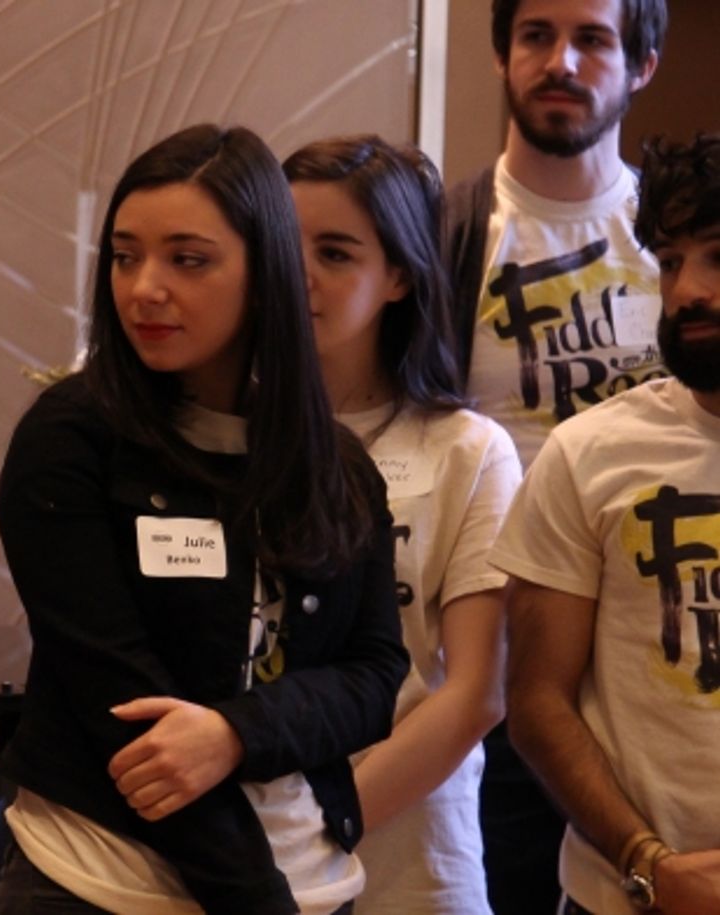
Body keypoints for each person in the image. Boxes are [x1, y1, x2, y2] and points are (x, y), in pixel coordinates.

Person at [0, 124, 409, 915]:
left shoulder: (336, 463)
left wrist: (237, 731)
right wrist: (258, 901)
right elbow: (126, 714)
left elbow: (373, 677)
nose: (145, 288)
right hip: (100, 879)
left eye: (188, 260)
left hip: (311, 875)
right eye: (126, 257)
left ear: (265, 272)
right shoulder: (71, 440)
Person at [442, 2, 668, 908]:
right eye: (536, 35)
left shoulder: (681, 246)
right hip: (492, 671)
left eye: (593, 39)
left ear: (642, 64)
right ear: (503, 54)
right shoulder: (448, 236)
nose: (561, 62)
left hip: (654, 666)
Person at [284, 136, 522, 914]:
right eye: (283, 244)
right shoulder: (228, 434)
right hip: (238, 851)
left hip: (414, 864)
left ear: (399, 275)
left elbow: (477, 691)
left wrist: (321, 825)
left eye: (335, 253)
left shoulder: (469, 450)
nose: (300, 274)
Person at [491, 132, 720, 915]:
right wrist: (650, 863)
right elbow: (536, 701)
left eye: (717, 257)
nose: (688, 290)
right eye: (671, 260)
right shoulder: (588, 453)